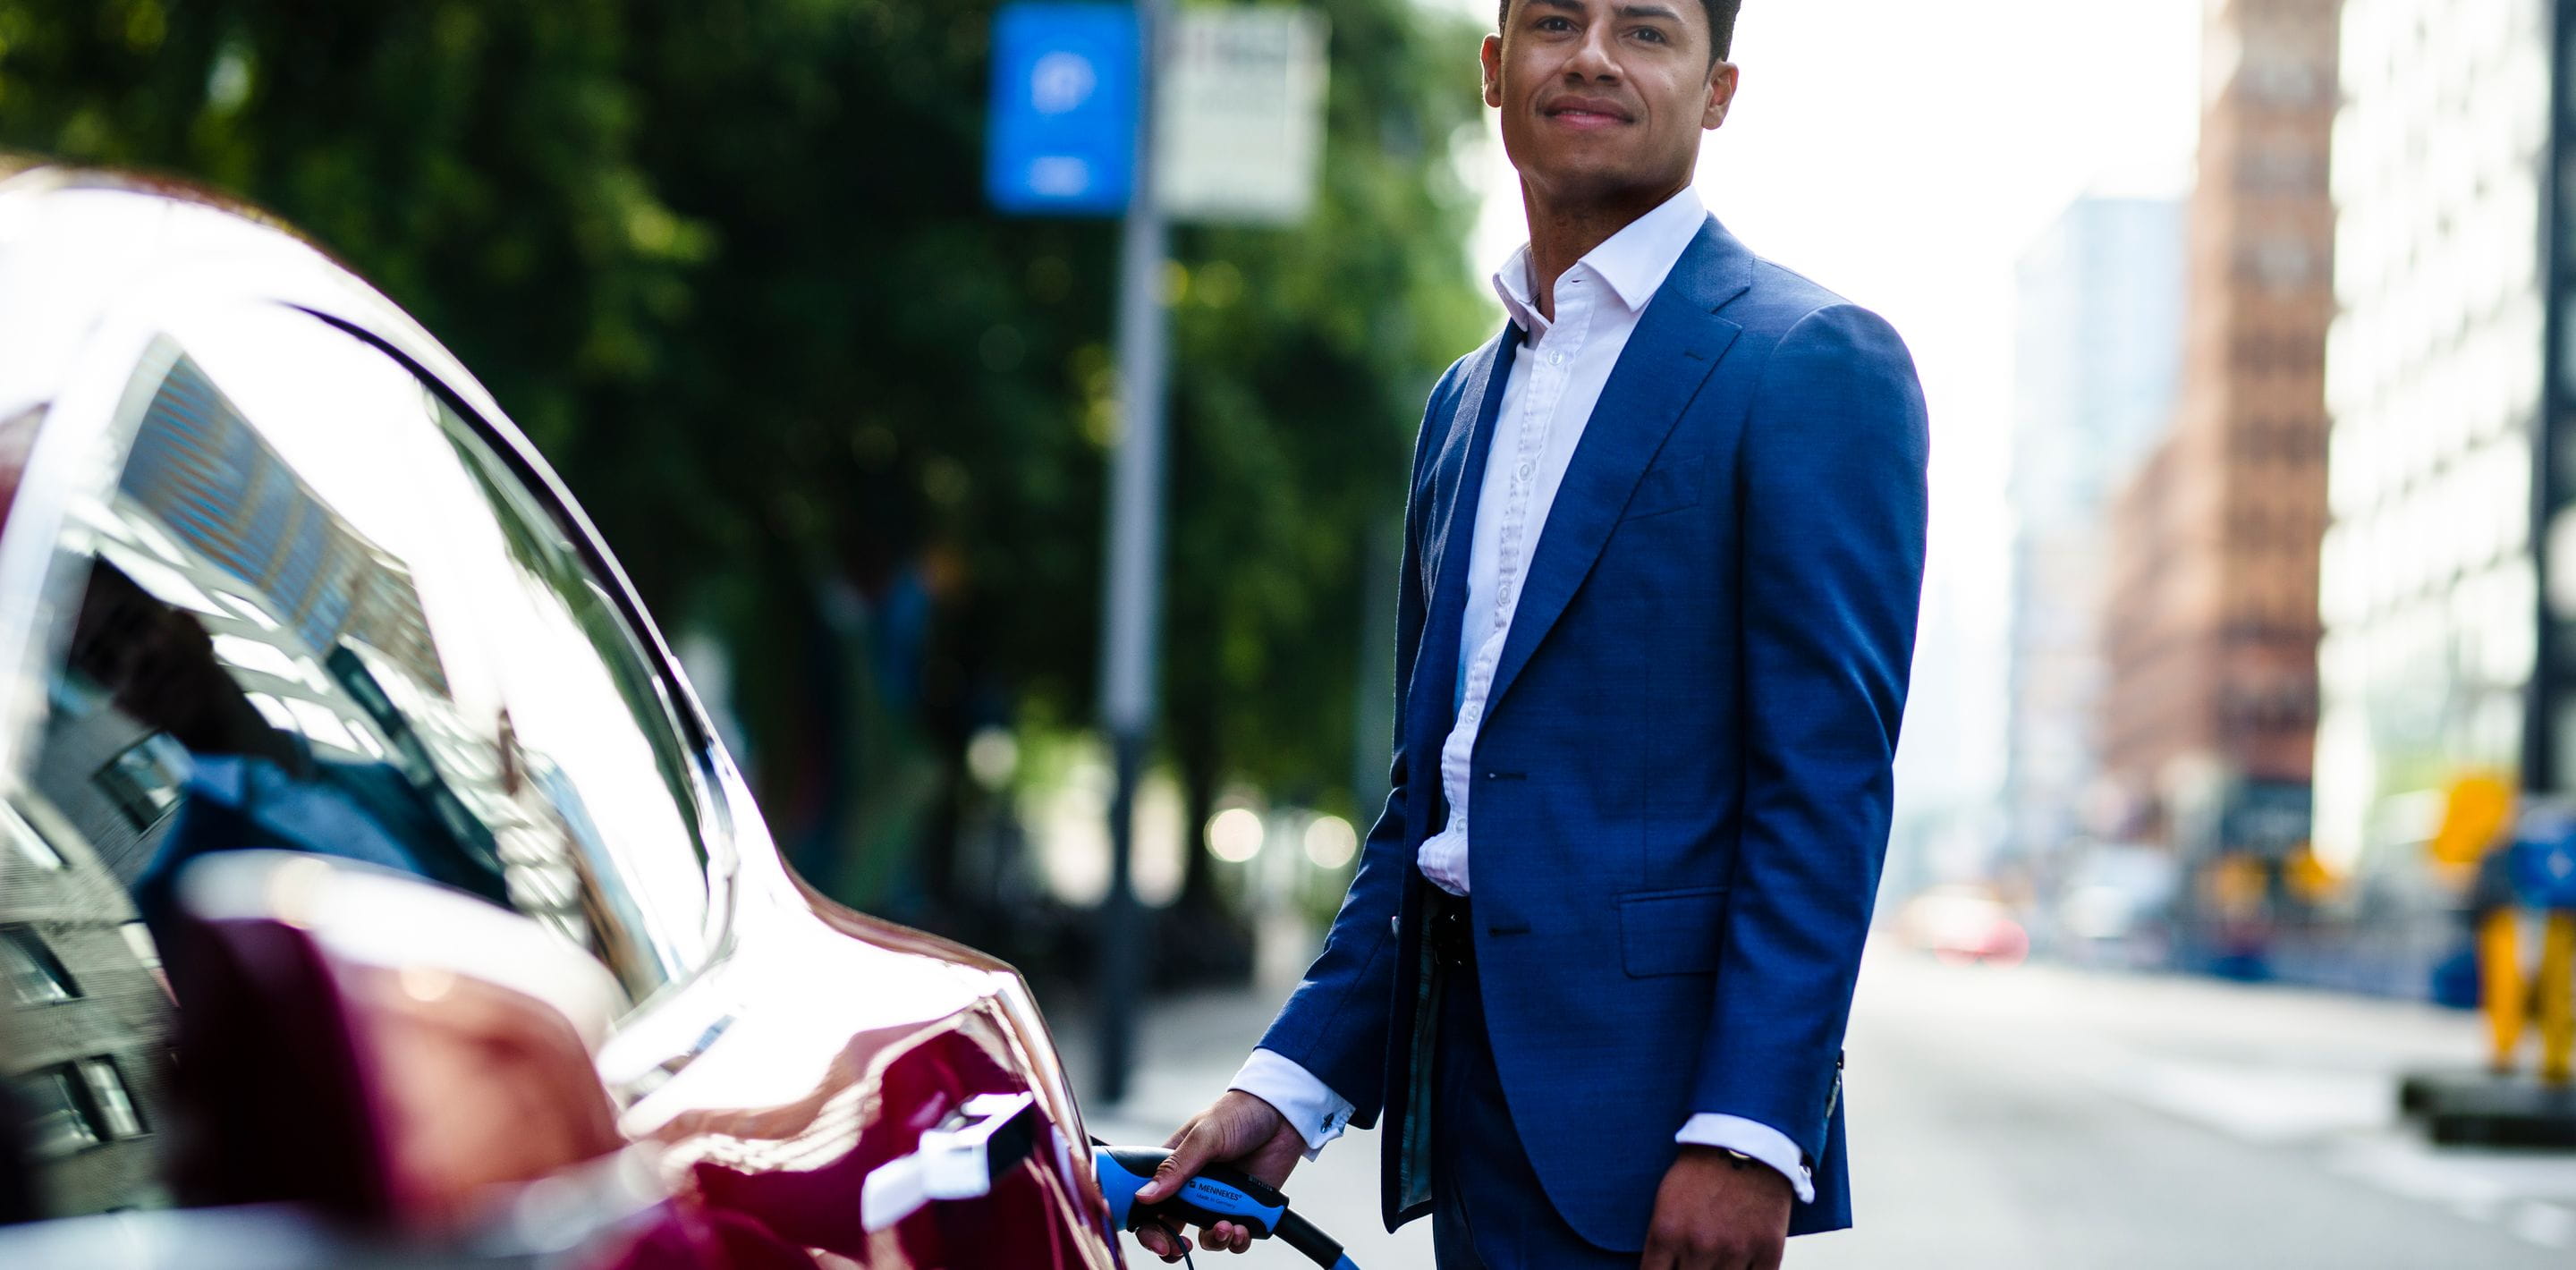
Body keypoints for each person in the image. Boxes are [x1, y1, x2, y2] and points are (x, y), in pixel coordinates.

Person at [1133, 1, 1929, 1266]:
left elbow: (1824, 789)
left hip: (1662, 1140)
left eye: (1649, 30)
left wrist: (1747, 1134)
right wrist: (1288, 1087)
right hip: (1471, 1111)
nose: (1597, 54)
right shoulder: (1462, 403)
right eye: (1558, 19)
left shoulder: (1809, 361)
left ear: (1718, 90)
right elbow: (1432, 806)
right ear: (1497, 70)